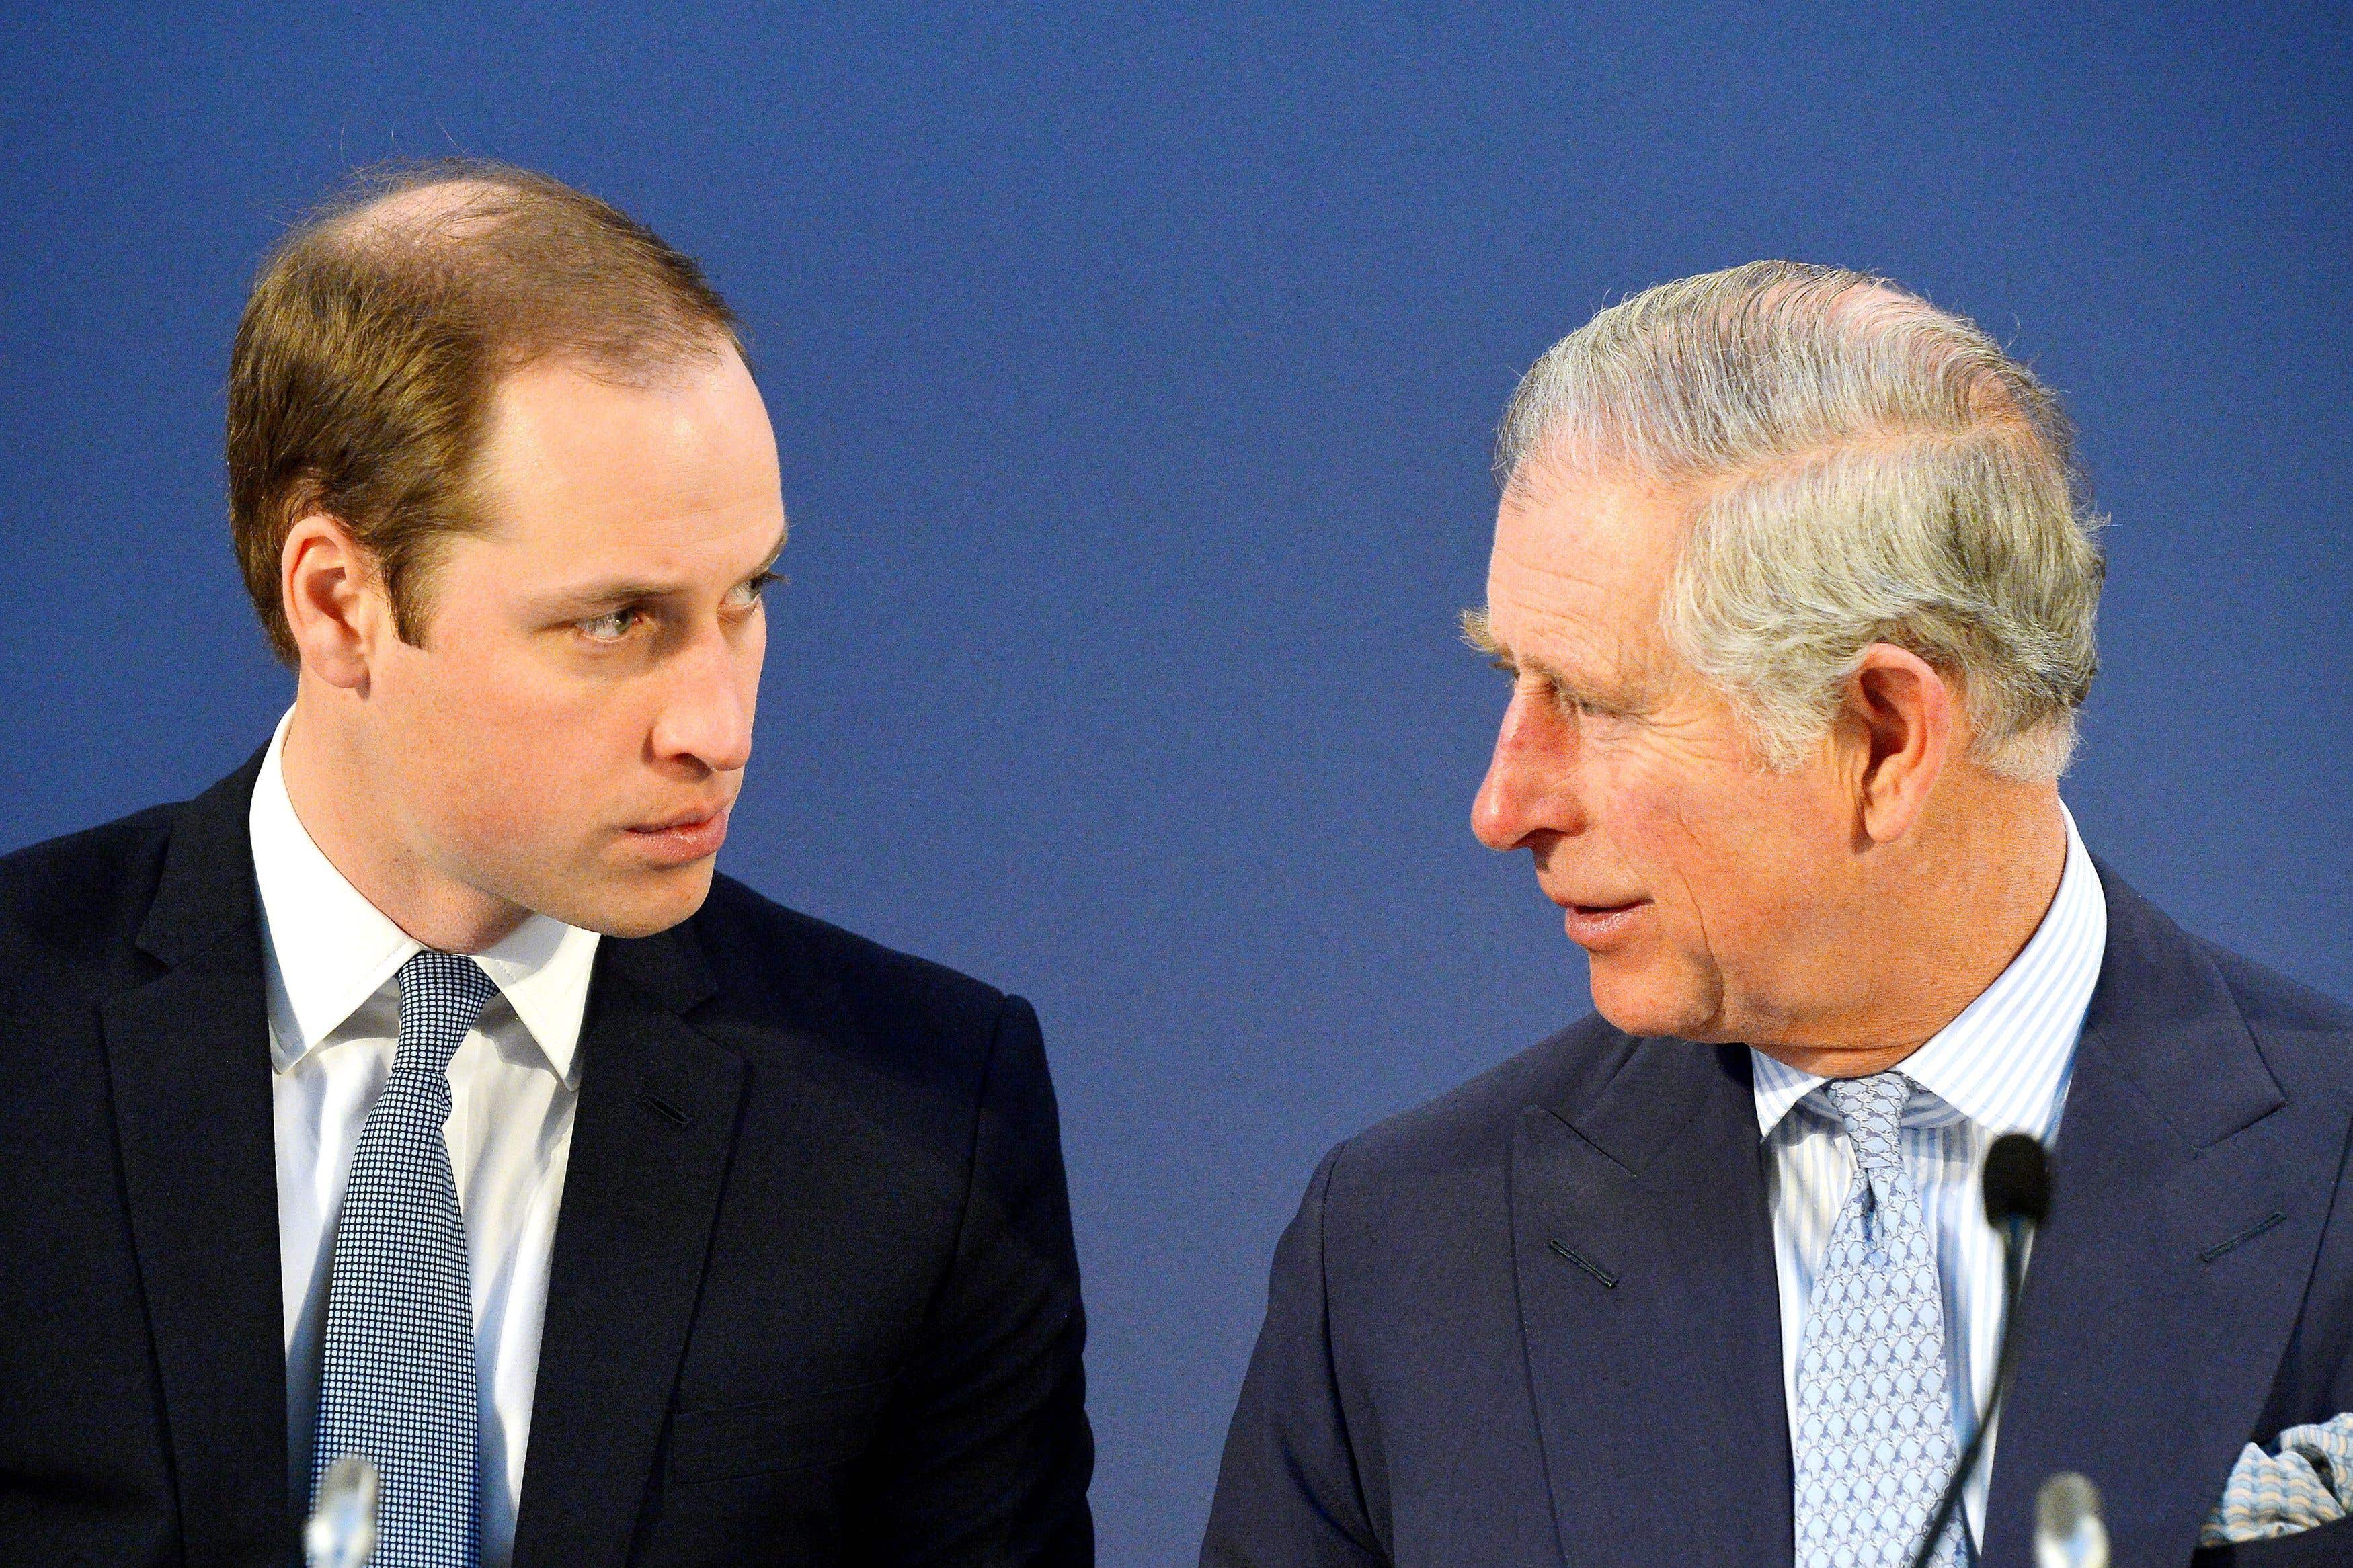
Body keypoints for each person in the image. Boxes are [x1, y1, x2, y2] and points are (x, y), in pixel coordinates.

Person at [0, 161, 1092, 1567]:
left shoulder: (927, 1122)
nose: (717, 727)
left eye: (746, 599)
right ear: (339, 603)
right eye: (614, 622)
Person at [1201, 263, 2353, 1568]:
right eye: (1508, 678)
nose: (1502, 802)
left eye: (1593, 701)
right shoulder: (1403, 1251)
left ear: (1884, 737)